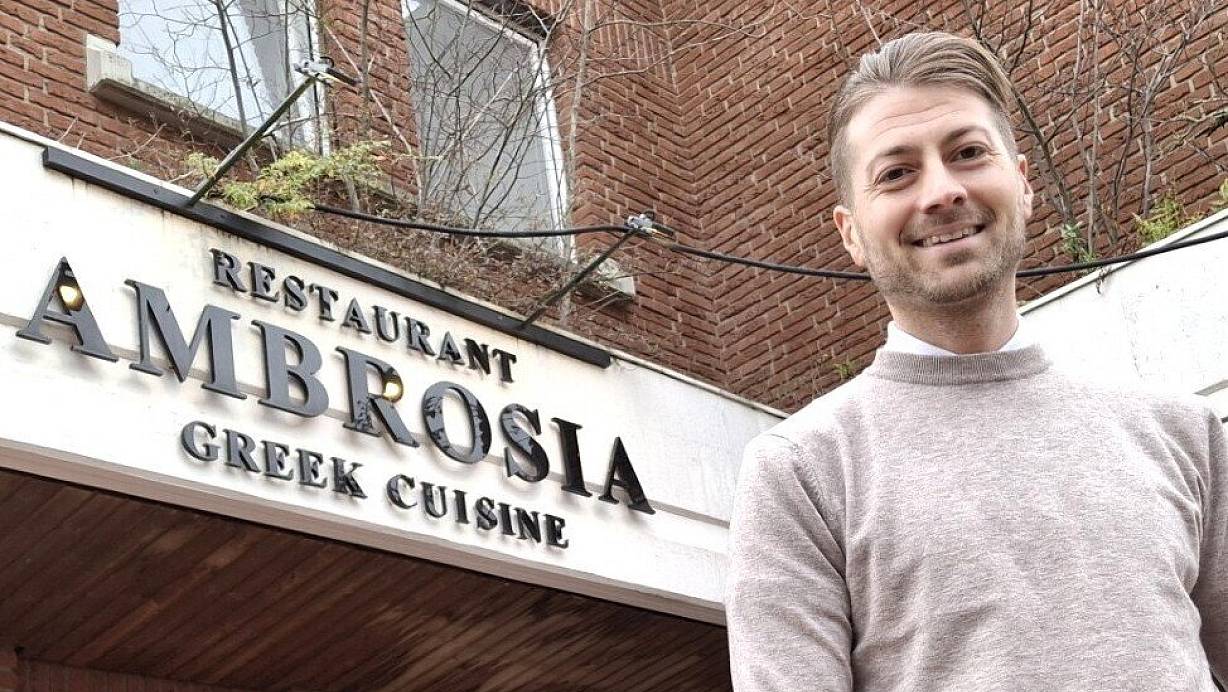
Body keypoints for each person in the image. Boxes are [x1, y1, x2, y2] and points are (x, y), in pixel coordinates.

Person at [725, 31, 1227, 691]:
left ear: (1021, 186)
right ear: (851, 232)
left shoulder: (1187, 436)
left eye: (967, 153)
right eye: (896, 172)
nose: (941, 191)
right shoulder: (802, 474)